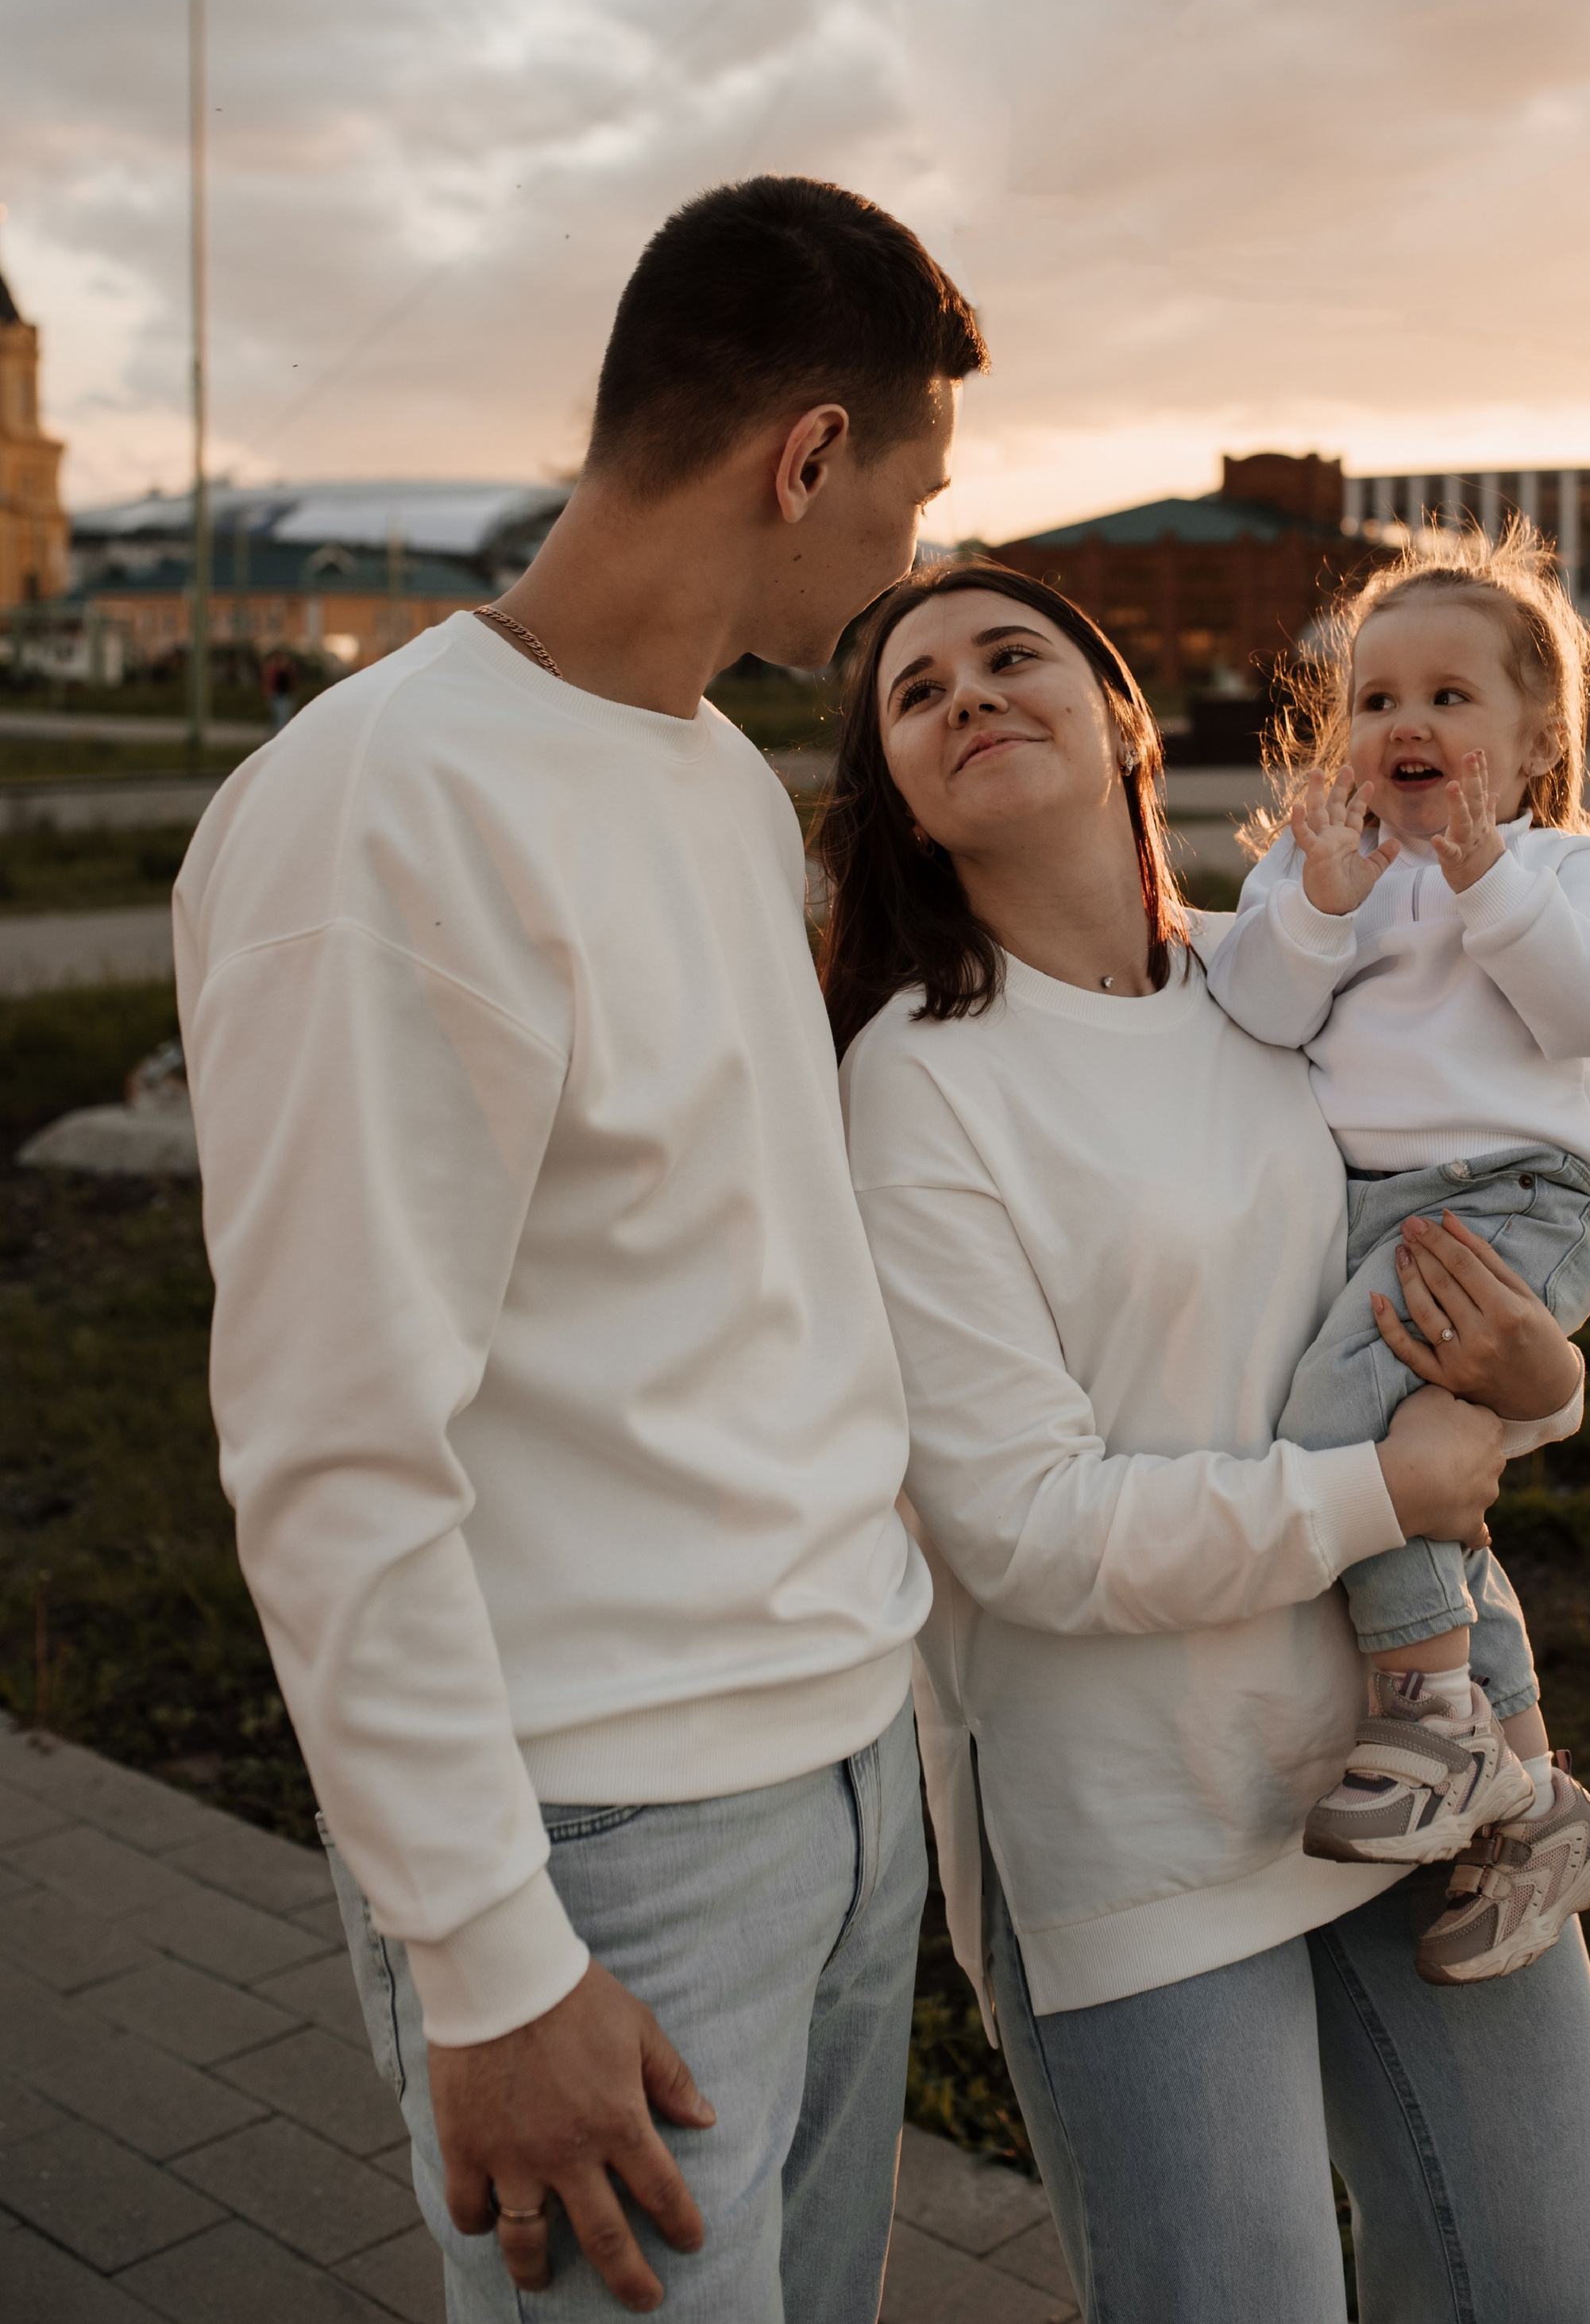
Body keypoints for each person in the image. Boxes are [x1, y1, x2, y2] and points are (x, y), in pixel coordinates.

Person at [176, 176, 986, 2320]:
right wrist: (489, 1950)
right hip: (609, 1849)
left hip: (835, 1776)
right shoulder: (383, 817)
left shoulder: (717, 776)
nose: (915, 551)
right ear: (807, 455)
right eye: (913, 493)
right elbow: (328, 1446)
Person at [817, 562, 1590, 2324]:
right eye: (915, 689)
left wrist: (1536, 1381)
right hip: (1141, 1822)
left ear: (1123, 718)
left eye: (1008, 654)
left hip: (1413, 1761)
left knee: (1552, 2275)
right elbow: (1018, 1528)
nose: (965, 691)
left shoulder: (1276, 984)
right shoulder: (917, 1078)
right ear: (892, 791)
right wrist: (1382, 1486)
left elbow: (1418, 1272)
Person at [1206, 523, 1590, 1983]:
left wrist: (1489, 884)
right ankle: (1532, 1789)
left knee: (1341, 1430)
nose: (1407, 722)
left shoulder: (1564, 870)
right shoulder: (1319, 868)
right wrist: (1321, 908)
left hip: (1513, 1203)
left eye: (1450, 699)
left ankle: (1434, 1727)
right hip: (1373, 1210)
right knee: (1432, 1499)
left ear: (1534, 748)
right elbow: (1266, 1015)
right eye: (1377, 697)